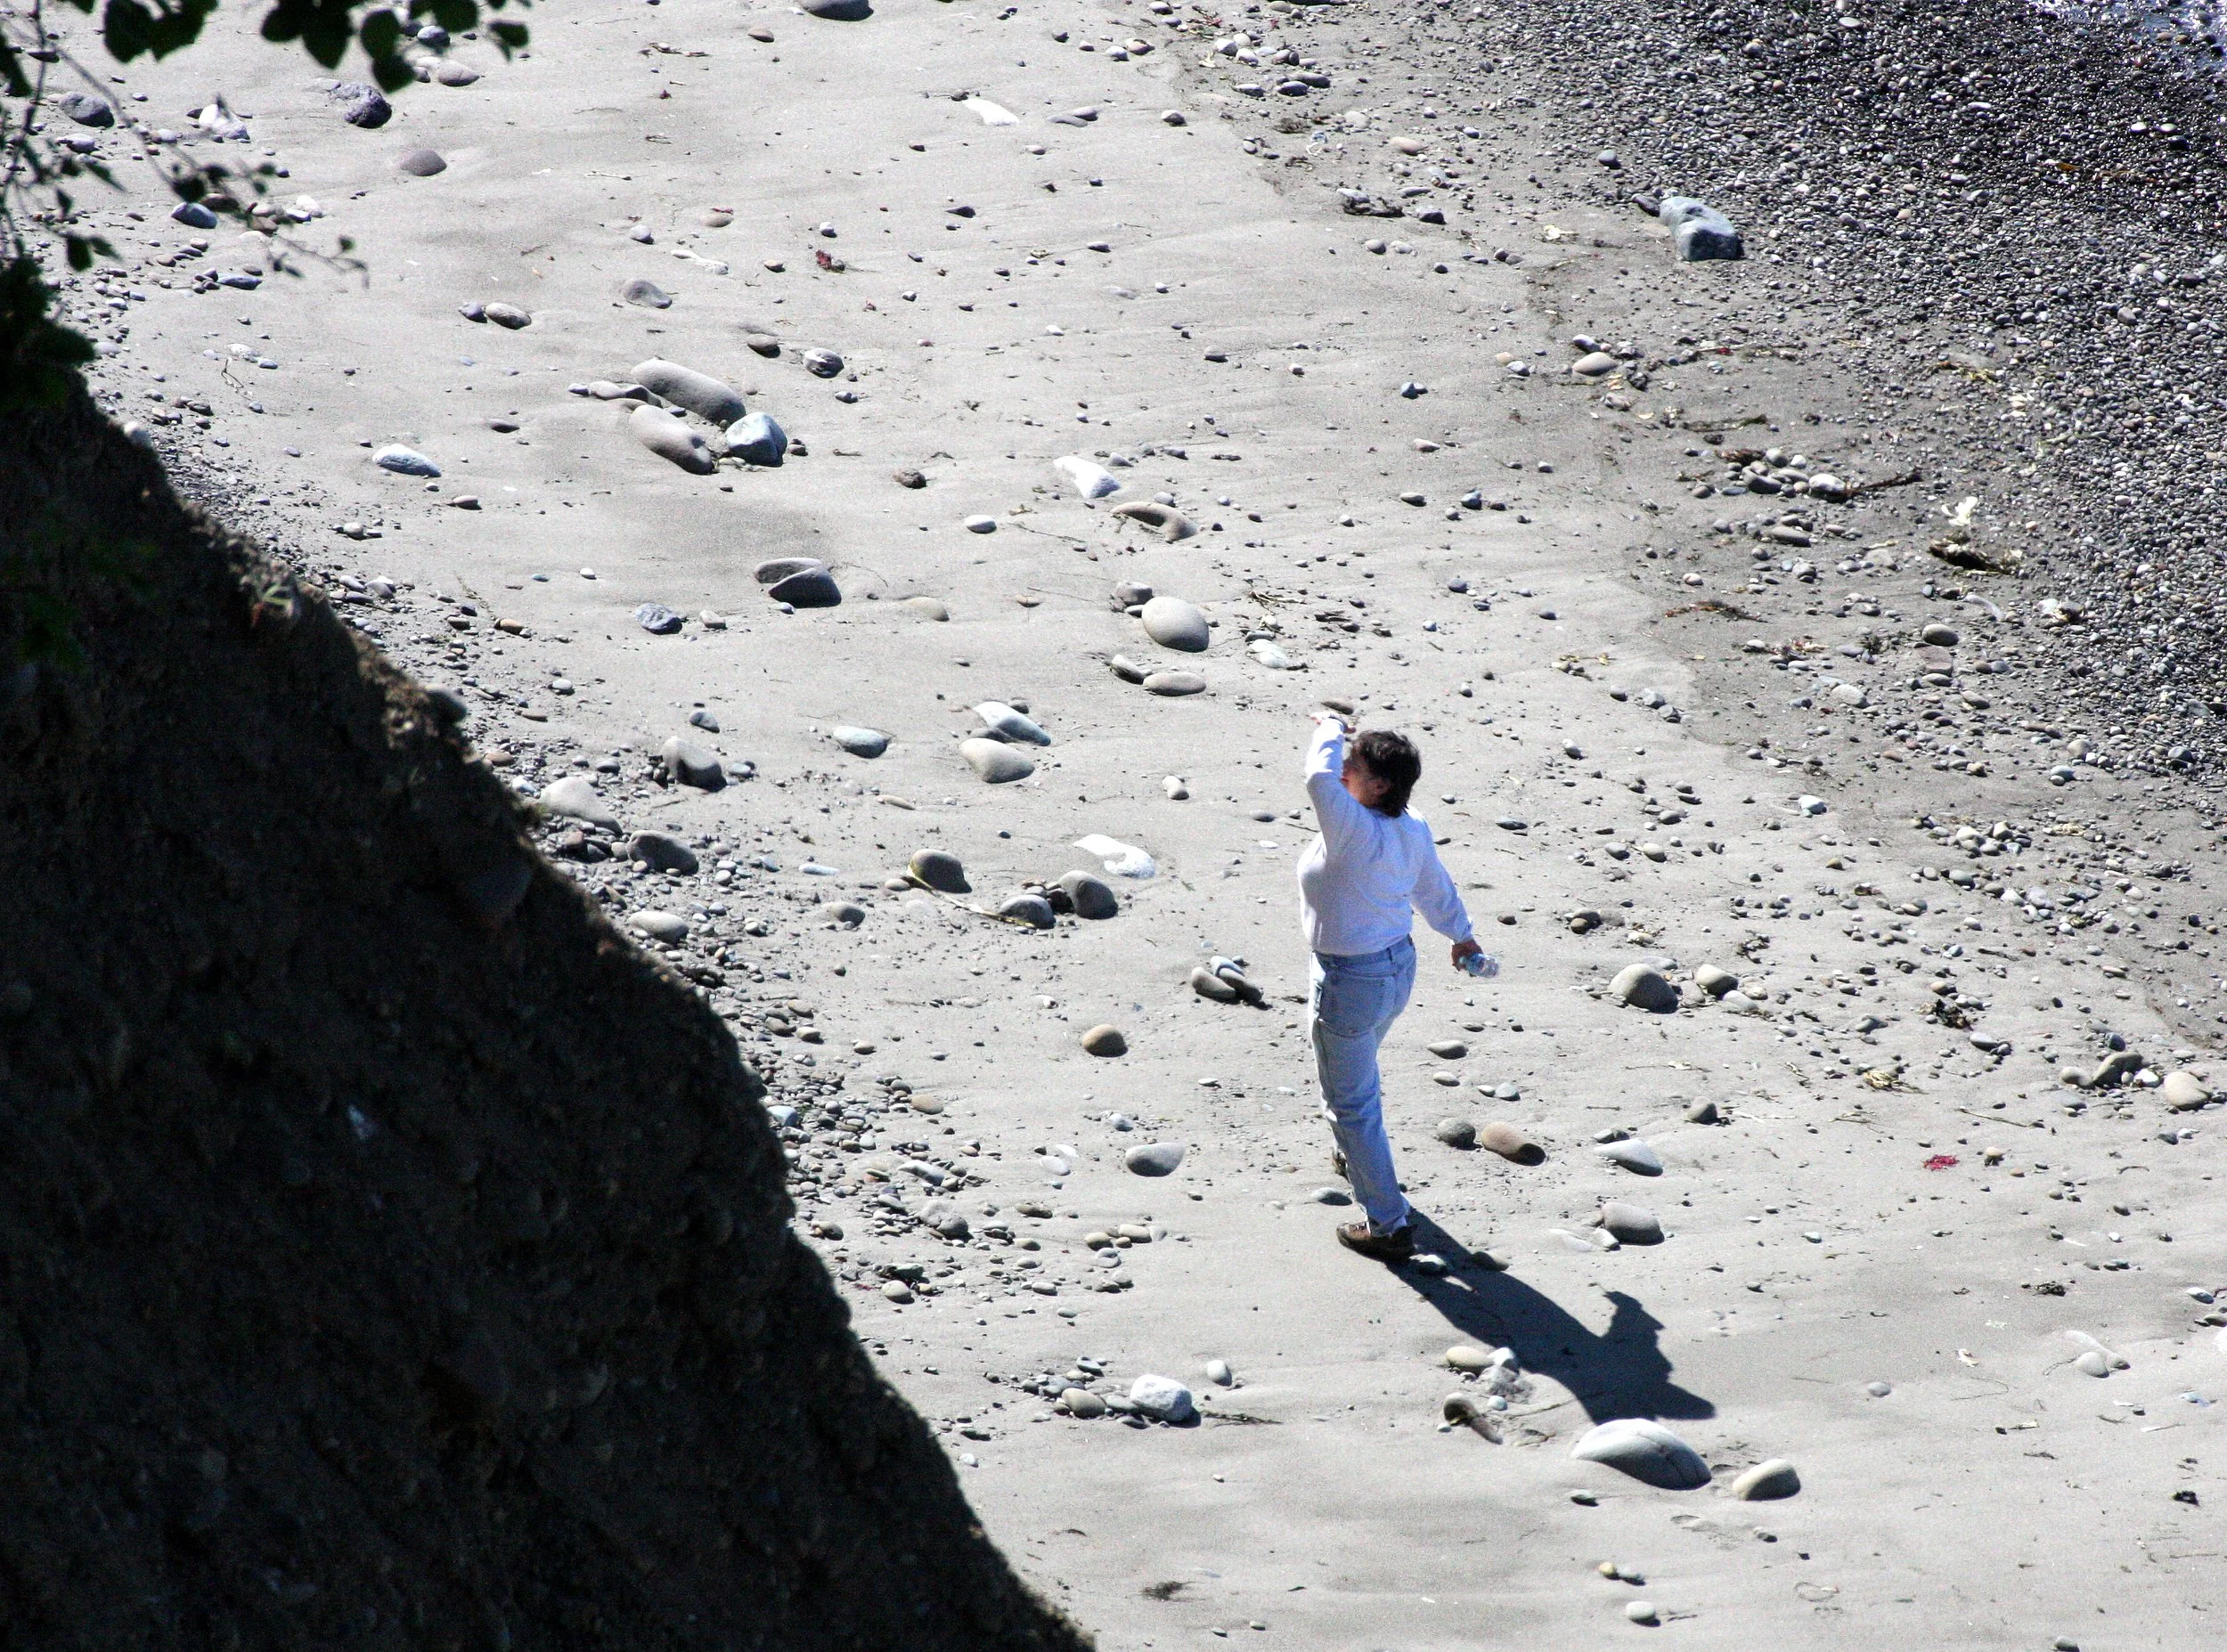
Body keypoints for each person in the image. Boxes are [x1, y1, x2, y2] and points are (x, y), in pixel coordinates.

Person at [1296, 710, 1489, 1261]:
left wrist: (1329, 728)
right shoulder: (1410, 825)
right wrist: (1462, 936)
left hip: (1352, 980)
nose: (1339, 773)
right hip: (1393, 971)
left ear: (1379, 785)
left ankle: (1388, 1224)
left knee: (1351, 1103)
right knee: (1354, 1083)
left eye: (1351, 767)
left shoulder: (1352, 828)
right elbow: (1433, 886)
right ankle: (1352, 1157)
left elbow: (1314, 776)